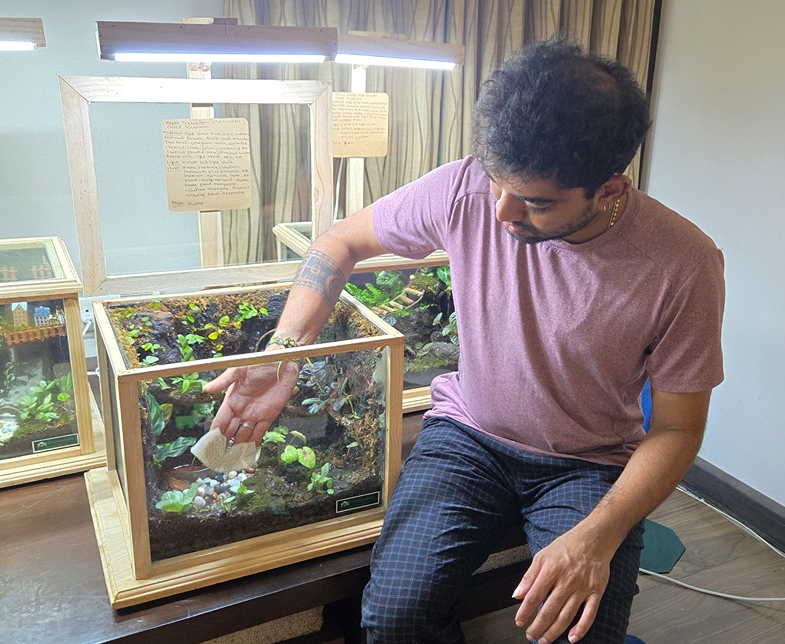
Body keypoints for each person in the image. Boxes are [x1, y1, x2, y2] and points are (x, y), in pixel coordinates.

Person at [204, 38, 724, 643]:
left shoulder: (683, 263)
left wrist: (597, 536)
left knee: (580, 633)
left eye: (535, 202)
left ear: (610, 190)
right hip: (468, 438)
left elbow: (677, 429)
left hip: (588, 464)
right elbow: (338, 242)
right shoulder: (467, 190)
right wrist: (284, 354)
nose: (501, 213)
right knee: (395, 615)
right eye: (496, 183)